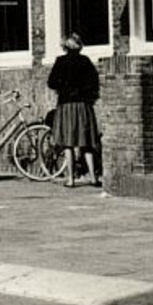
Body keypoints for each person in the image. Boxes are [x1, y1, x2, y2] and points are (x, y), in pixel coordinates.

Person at [48, 32, 102, 188]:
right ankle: (93, 177)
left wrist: (63, 88)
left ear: (65, 46)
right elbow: (94, 83)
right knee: (86, 143)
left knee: (68, 143)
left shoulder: (60, 62)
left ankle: (71, 179)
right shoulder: (85, 61)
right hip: (83, 106)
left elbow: (51, 82)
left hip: (66, 105)